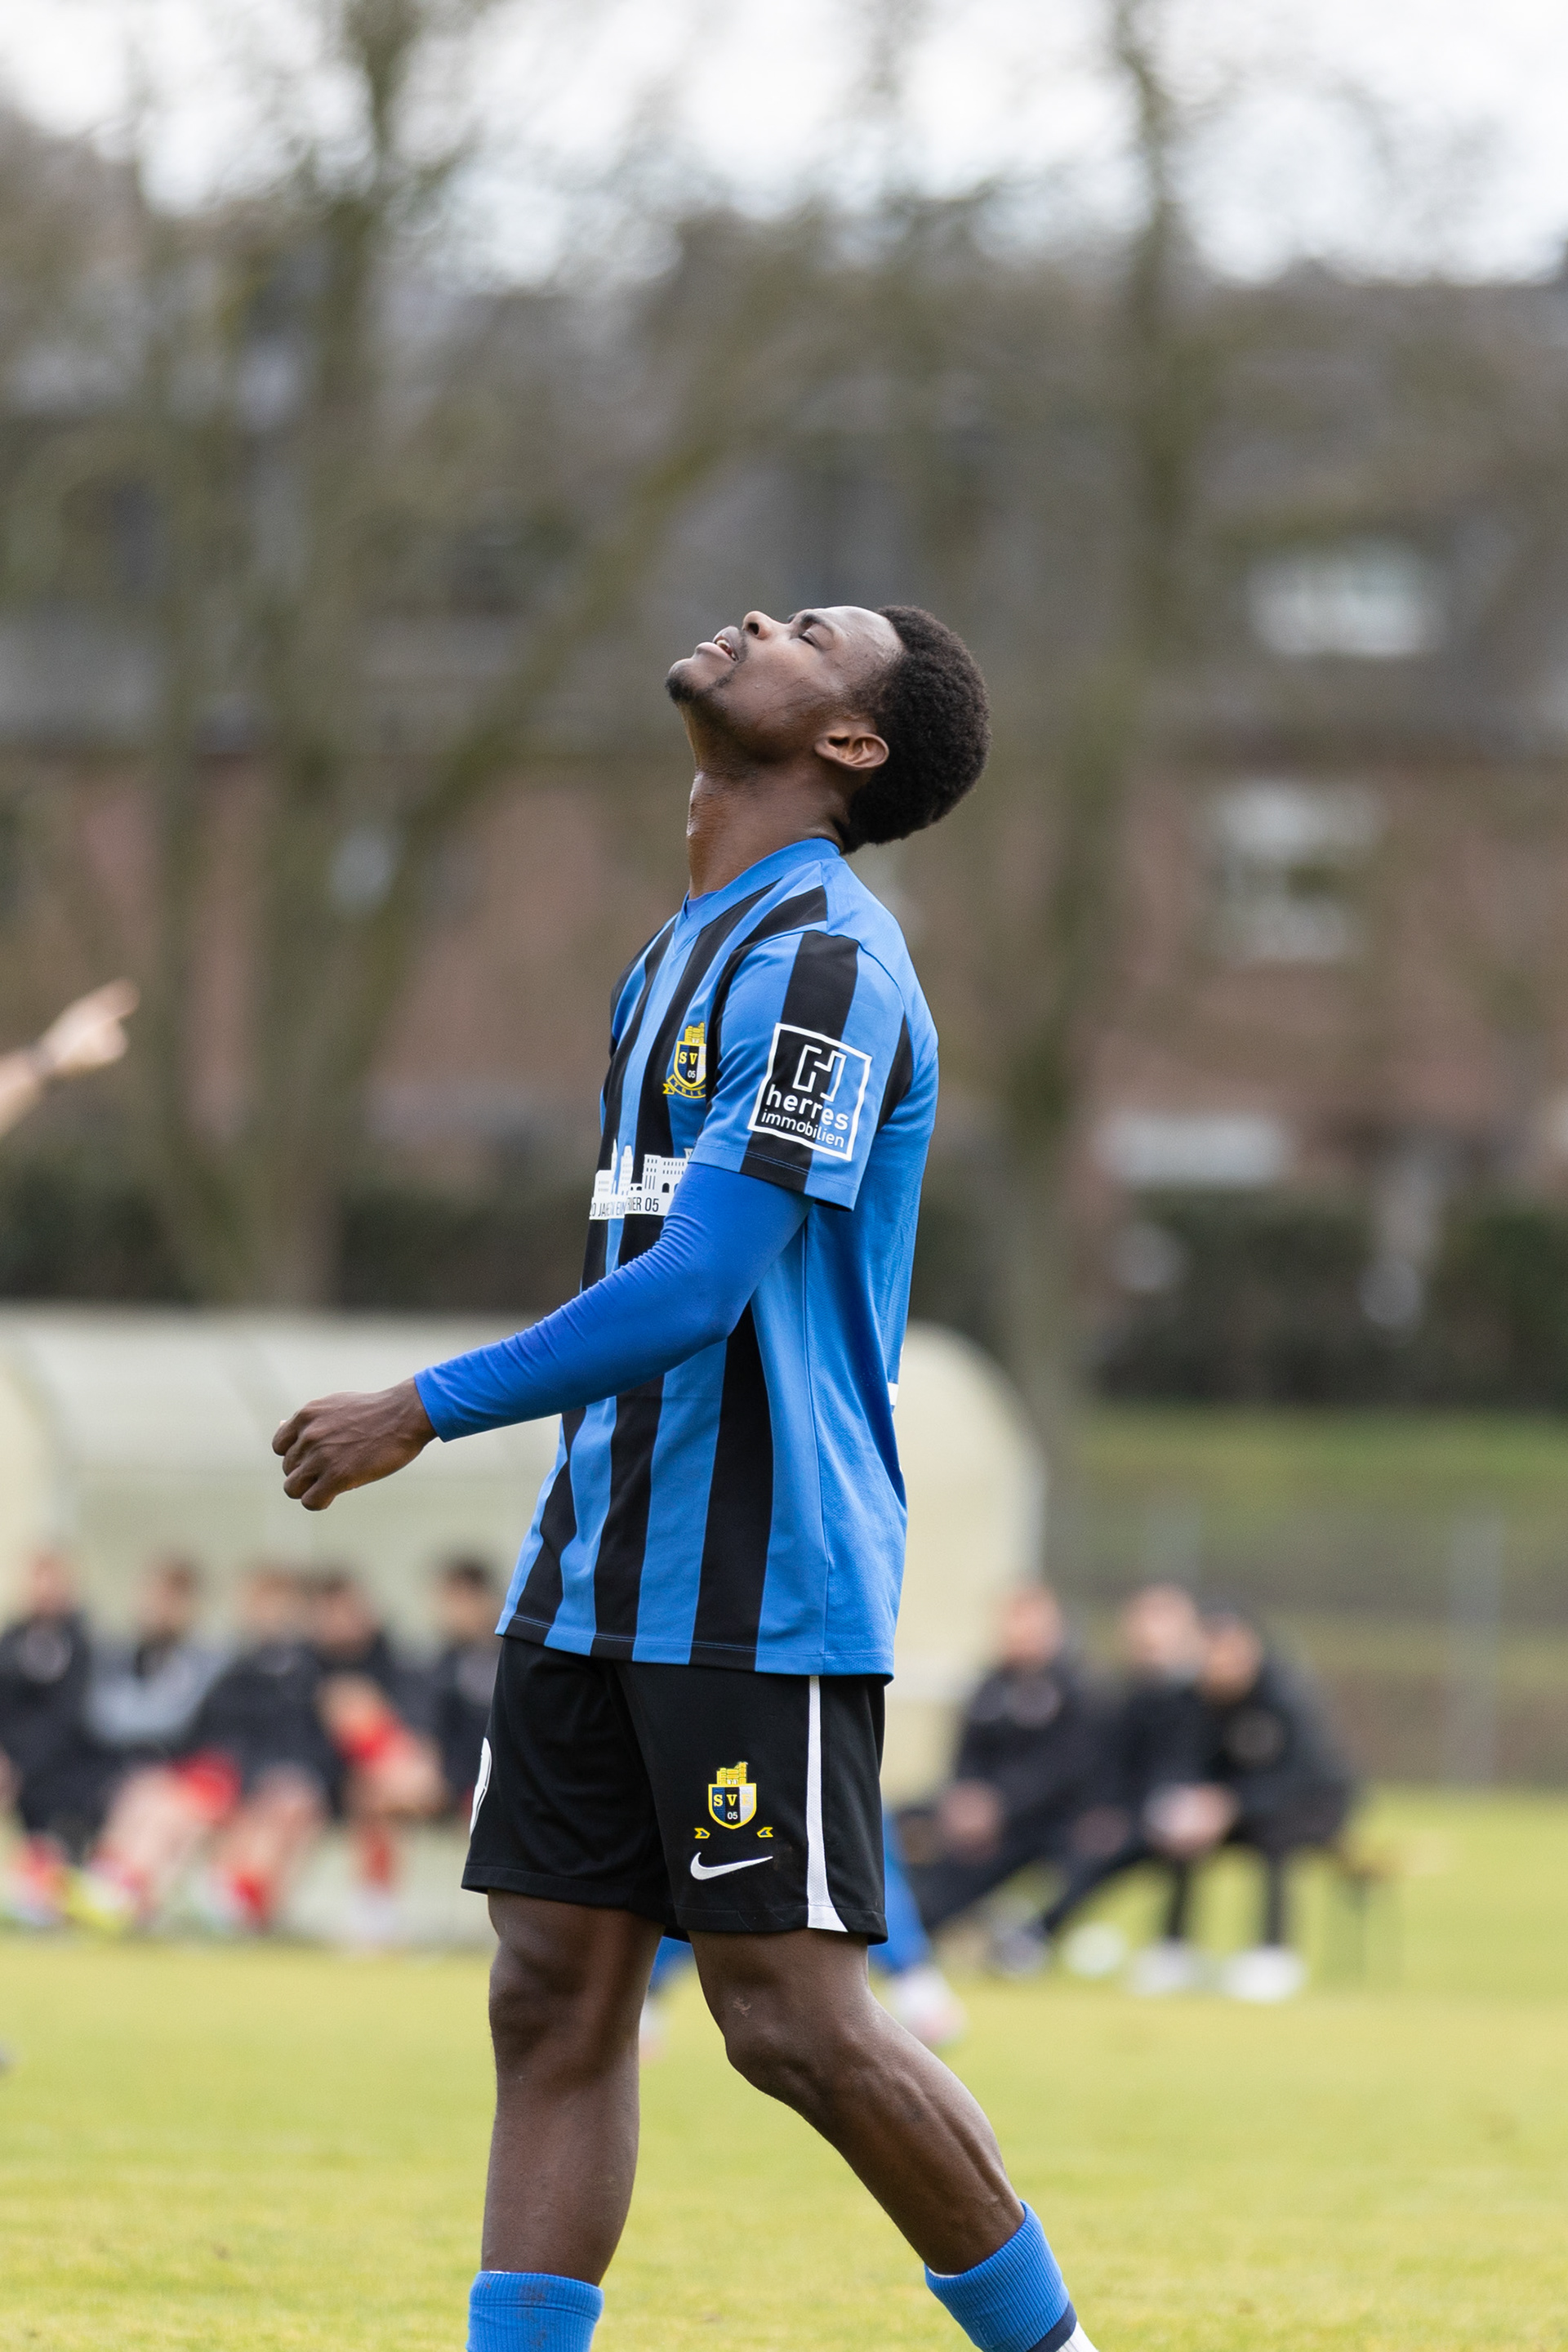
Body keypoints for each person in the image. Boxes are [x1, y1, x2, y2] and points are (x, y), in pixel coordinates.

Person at [274, 602, 1101, 2352]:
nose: (756, 622)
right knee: (548, 1997)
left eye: (811, 634)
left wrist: (422, 1404)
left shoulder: (828, 965)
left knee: (794, 2025)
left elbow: (702, 1284)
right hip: (595, 1564)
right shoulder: (679, 951)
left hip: (759, 1571)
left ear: (850, 745)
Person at [992, 1583, 1211, 1988]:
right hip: (1130, 1815)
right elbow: (1110, 1765)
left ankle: (1173, 1949)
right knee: (1085, 1849)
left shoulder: (1203, 1696)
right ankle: (1031, 1931)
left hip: (1197, 1812)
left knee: (1177, 1835)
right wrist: (1106, 1811)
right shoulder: (1128, 1696)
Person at [1160, 1606, 1356, 2003]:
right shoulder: (1193, 1702)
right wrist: (1192, 1805)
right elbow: (1182, 1762)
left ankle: (1273, 1953)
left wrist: (1230, 1805)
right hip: (1235, 1809)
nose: (1221, 1662)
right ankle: (1175, 1951)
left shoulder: (1284, 1698)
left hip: (1311, 1807)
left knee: (1275, 1837)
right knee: (1185, 1836)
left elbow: (1296, 1778)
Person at [898, 1586, 1106, 1939]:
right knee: (895, 1821)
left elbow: (1065, 1770)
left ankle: (1027, 1934)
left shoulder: (1078, 1689)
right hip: (976, 1817)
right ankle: (900, 1915)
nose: (1019, 1632)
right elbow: (965, 1757)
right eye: (1012, 1621)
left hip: (1044, 1821)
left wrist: (999, 1808)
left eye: (1029, 1622)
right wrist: (964, 1802)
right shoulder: (989, 1686)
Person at [308, 1570, 445, 1947]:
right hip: (328, 1783)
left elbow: (424, 1734)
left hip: (402, 1780)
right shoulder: (302, 1669)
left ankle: (375, 1914)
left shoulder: (402, 1665)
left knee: (376, 1790)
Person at [0, 1550, 116, 1923]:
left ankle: (53, 1885)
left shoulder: (82, 1645)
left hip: (62, 1771)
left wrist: (20, 1765)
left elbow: (71, 1718)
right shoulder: (11, 1641)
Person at [86, 1556, 229, 1763]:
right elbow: (101, 1718)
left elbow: (179, 1723)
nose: (156, 1607)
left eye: (169, 1597)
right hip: (113, 1769)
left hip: (177, 1771)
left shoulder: (210, 1664)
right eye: (150, 1594)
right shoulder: (115, 1655)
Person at [422, 1558, 504, 1817]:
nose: (450, 1612)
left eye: (458, 1600)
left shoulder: (512, 1658)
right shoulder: (442, 1666)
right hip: (461, 1785)